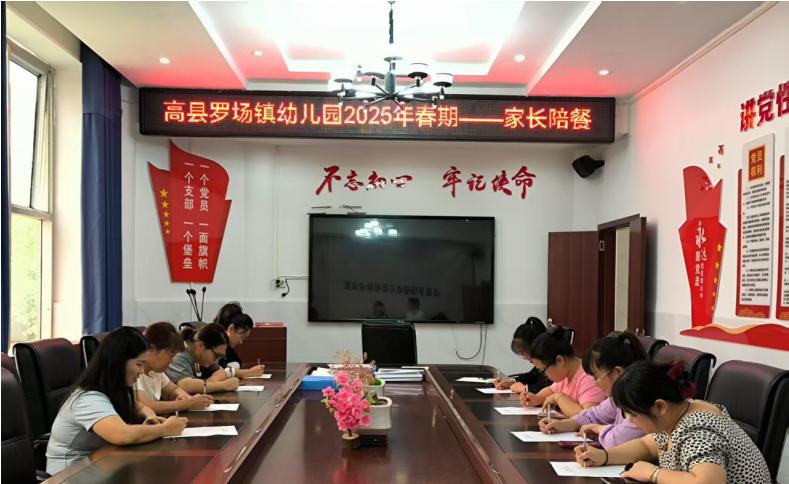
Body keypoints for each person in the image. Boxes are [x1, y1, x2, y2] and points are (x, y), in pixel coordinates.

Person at [575, 361, 772, 483]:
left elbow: (708, 482)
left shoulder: (698, 430)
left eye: (633, 414)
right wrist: (604, 456)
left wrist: (653, 473)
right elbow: (647, 445)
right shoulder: (678, 411)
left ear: (660, 406)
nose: (631, 421)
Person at [46, 327, 188, 474]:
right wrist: (165, 429)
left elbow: (139, 407)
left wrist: (150, 417)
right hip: (70, 474)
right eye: (139, 364)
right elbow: (122, 435)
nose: (141, 371)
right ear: (119, 363)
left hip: (101, 465)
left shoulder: (114, 391)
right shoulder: (88, 399)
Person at [538, 332, 646, 447]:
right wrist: (563, 424)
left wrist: (598, 428)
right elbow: (593, 415)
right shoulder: (617, 400)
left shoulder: (642, 403)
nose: (595, 382)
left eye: (597, 376)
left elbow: (617, 440)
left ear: (617, 372)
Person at [519, 325, 605, 417]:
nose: (544, 375)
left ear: (560, 360)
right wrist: (537, 398)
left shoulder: (589, 377)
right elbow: (551, 390)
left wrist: (559, 397)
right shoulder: (566, 374)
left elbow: (588, 417)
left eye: (543, 370)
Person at [135, 322, 214, 414]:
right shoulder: (135, 371)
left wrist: (184, 397)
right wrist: (188, 403)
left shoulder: (156, 371)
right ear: (152, 349)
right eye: (170, 355)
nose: (171, 361)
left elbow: (172, 390)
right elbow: (145, 405)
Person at [165, 323, 240, 394]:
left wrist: (209, 383)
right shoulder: (179, 354)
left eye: (220, 357)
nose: (216, 361)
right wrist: (223, 386)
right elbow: (185, 385)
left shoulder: (203, 357)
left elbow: (221, 372)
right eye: (216, 355)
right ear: (200, 345)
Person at [494, 317, 551, 393]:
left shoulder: (552, 363)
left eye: (525, 352)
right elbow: (531, 376)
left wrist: (526, 389)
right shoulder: (541, 364)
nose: (524, 357)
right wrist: (512, 381)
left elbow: (551, 388)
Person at [215, 310, 265, 378]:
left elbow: (236, 363)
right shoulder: (216, 343)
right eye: (242, 337)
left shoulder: (228, 348)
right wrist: (250, 372)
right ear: (231, 328)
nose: (241, 342)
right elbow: (219, 372)